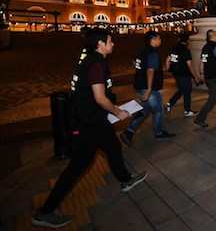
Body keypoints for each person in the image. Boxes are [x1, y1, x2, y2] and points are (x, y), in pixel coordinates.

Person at [32, 28, 147, 228]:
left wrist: (111, 110)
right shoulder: (95, 65)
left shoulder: (90, 60)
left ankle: (125, 179)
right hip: (90, 123)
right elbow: (100, 97)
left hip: (95, 120)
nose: (113, 44)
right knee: (78, 166)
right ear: (100, 44)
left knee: (112, 147)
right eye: (110, 40)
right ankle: (46, 211)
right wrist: (118, 112)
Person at [120, 31, 175, 146]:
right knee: (158, 111)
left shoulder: (143, 51)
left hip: (140, 86)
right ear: (153, 40)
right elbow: (150, 70)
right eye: (159, 39)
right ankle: (159, 133)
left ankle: (128, 132)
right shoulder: (153, 53)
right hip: (150, 89)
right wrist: (149, 89)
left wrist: (140, 70)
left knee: (144, 111)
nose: (160, 41)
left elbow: (135, 61)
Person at [165, 33, 203, 117]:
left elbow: (167, 60)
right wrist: (195, 77)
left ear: (179, 39)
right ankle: (187, 110)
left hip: (176, 73)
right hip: (184, 74)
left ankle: (170, 103)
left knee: (182, 90)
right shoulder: (185, 50)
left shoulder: (174, 48)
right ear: (187, 41)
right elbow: (190, 65)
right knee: (187, 91)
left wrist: (169, 70)